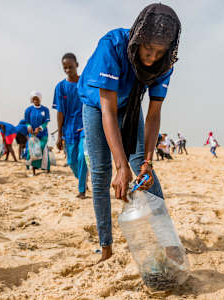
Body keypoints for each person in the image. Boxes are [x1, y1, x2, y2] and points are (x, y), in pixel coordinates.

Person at [77, 3, 181, 262]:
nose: (151, 57)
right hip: (97, 103)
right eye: (148, 49)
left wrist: (147, 161)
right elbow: (108, 111)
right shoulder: (112, 45)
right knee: (101, 173)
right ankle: (106, 247)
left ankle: (169, 243)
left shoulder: (165, 63)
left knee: (146, 173)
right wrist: (121, 167)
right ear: (137, 39)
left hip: (130, 105)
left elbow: (154, 113)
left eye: (159, 52)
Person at [53, 53, 88, 199]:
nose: (68, 70)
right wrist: (59, 135)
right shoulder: (60, 87)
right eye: (65, 67)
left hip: (85, 127)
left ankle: (81, 190)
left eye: (70, 67)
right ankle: (82, 179)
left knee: (82, 157)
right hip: (68, 129)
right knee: (72, 161)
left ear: (77, 65)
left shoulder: (85, 83)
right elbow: (60, 112)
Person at [25, 91, 50, 175]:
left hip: (43, 134)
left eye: (37, 99)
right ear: (32, 100)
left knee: (42, 148)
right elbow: (27, 121)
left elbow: (46, 122)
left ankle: (46, 167)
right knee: (33, 151)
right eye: (34, 99)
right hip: (32, 134)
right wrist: (29, 126)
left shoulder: (45, 110)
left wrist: (39, 128)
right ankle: (33, 169)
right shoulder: (28, 110)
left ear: (40, 99)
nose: (35, 100)